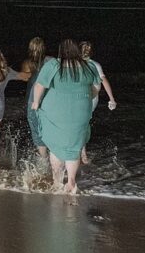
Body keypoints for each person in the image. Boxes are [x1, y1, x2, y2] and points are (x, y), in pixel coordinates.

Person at [30, 39, 102, 194]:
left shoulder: (54, 65)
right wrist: (86, 98)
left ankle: (57, 182)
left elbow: (39, 85)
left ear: (60, 52)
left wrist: (36, 102)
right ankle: (71, 182)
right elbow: (96, 88)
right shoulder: (89, 66)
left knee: (56, 148)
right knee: (73, 148)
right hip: (80, 112)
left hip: (56, 113)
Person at [79, 41, 117, 165]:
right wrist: (111, 99)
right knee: (83, 124)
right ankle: (83, 154)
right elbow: (104, 81)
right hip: (91, 99)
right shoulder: (95, 64)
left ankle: (78, 152)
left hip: (80, 99)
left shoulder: (73, 64)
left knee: (78, 124)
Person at [22, 37, 55, 163]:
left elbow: (25, 78)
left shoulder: (27, 63)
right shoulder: (51, 61)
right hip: (48, 99)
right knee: (49, 126)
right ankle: (54, 154)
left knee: (36, 129)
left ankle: (43, 157)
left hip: (32, 99)